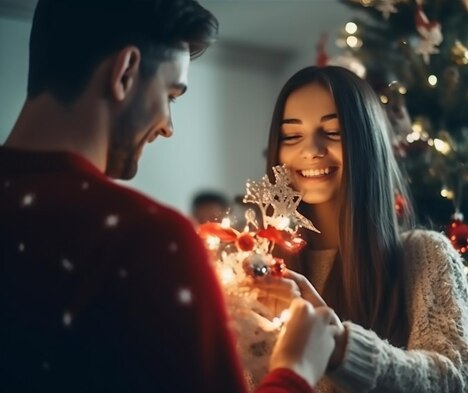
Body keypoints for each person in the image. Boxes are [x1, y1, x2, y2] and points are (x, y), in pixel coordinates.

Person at [0, 1, 340, 392]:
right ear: (125, 72)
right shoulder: (147, 238)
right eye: (171, 95)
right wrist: (296, 369)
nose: (168, 127)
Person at [254, 66, 468, 393]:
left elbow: (453, 380)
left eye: (333, 132)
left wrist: (341, 345)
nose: (311, 149)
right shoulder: (263, 269)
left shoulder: (424, 255)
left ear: (366, 142)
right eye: (292, 136)